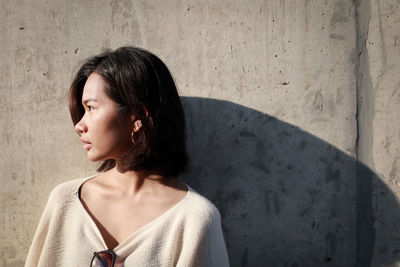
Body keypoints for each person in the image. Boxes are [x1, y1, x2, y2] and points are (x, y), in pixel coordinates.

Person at [25, 46, 229, 267]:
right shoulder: (65, 202)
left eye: (91, 108)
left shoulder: (194, 219)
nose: (79, 125)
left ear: (137, 116)